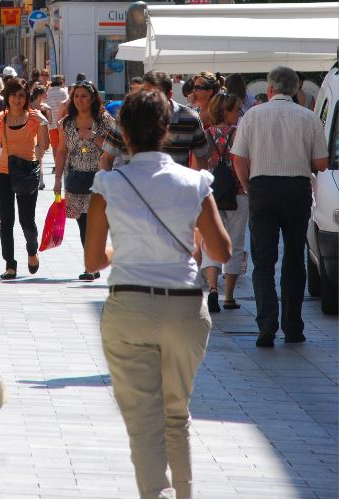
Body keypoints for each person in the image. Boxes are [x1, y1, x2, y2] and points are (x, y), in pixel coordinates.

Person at [85, 89, 231, 500]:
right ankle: (182, 493)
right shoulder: (195, 182)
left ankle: (158, 495)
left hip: (130, 303)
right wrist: (194, 241)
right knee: (175, 414)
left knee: (142, 421)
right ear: (166, 130)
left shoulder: (108, 185)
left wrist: (123, 250)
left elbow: (94, 259)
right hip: (184, 304)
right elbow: (222, 251)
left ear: (123, 133)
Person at [231, 66, 328, 348]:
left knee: (263, 262)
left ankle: (266, 325)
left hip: (262, 188)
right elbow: (321, 164)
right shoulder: (309, 118)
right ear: (296, 88)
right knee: (295, 257)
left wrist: (249, 186)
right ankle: (293, 326)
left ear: (270, 89)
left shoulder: (252, 115)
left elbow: (238, 158)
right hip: (297, 189)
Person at [0, 78, 49, 280]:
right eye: (14, 94)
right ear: (7, 96)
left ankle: (32, 251)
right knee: (7, 221)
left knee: (26, 220)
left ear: (27, 97)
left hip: (28, 172)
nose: (18, 99)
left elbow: (44, 147)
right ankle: (10, 264)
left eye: (22, 95)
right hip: (4, 173)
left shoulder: (33, 118)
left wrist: (44, 123)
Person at [53, 80, 115, 281]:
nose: (80, 100)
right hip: (76, 178)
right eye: (76, 96)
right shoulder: (66, 123)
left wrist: (93, 136)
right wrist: (56, 180)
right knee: (83, 224)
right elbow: (62, 151)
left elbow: (114, 146)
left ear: (92, 98)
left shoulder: (104, 120)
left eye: (84, 96)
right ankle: (91, 265)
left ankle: (95, 262)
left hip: (100, 178)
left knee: (96, 223)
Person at [100, 71, 208, 170]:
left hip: (173, 188)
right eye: (146, 93)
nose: (150, 99)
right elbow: (107, 158)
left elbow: (201, 157)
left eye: (156, 95)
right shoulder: (127, 117)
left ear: (170, 95)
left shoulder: (190, 118)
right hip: (133, 187)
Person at [202, 92, 248, 313]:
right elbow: (245, 162)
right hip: (238, 194)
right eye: (236, 110)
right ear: (225, 111)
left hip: (211, 194)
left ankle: (212, 288)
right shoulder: (240, 135)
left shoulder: (205, 134)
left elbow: (196, 166)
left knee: (211, 241)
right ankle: (228, 296)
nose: (239, 114)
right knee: (235, 243)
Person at [30, 84, 53, 190]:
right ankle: (39, 180)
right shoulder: (29, 106)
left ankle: (40, 180)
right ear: (40, 95)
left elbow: (50, 122)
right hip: (31, 136)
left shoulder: (45, 107)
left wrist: (49, 111)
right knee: (36, 160)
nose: (47, 94)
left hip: (42, 136)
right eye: (45, 92)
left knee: (39, 159)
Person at [44, 74, 69, 161]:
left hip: (51, 124)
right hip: (63, 123)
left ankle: (56, 162)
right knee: (64, 145)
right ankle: (64, 163)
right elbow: (67, 106)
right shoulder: (63, 91)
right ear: (61, 82)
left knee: (55, 146)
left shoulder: (48, 93)